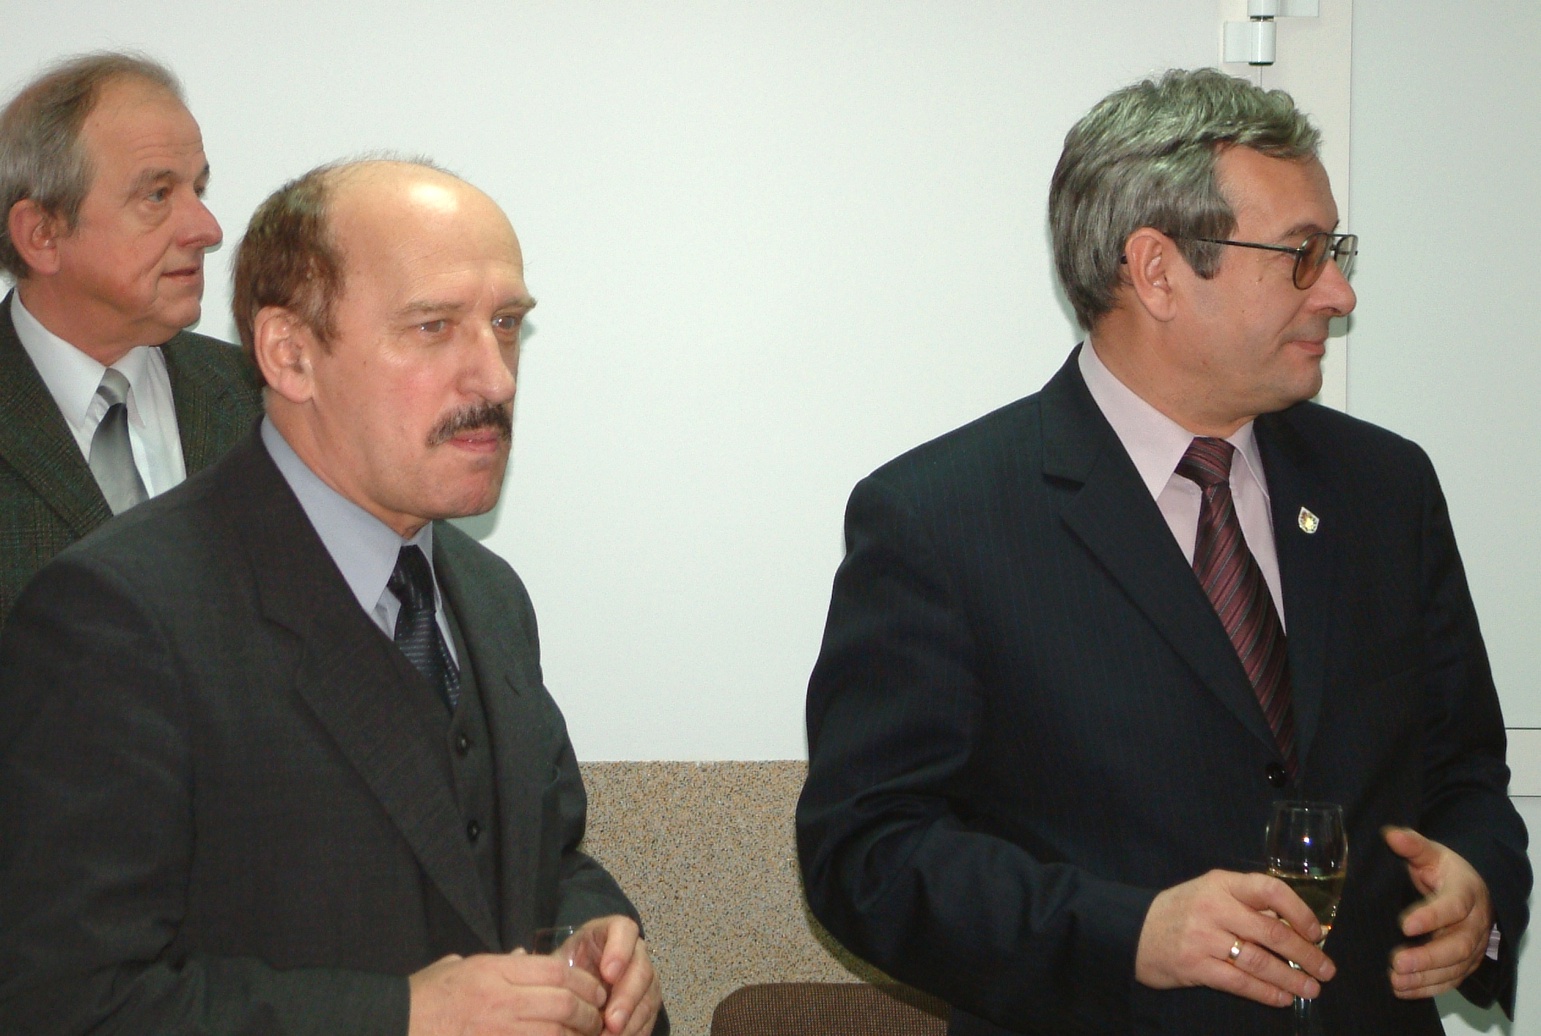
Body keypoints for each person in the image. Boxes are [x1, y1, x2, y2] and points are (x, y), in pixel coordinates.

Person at [796, 68, 1529, 1035]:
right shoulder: (940, 520)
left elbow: (1464, 769)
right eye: (1301, 255)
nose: (1339, 292)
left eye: (1335, 250)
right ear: (1156, 271)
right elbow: (867, 855)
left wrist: (1477, 887)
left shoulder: (1385, 488)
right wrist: (1129, 932)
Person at [0, 158, 663, 1036]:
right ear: (290, 355)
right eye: (433, 327)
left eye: (505, 324)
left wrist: (595, 935)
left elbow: (542, 854)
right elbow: (61, 1002)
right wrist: (399, 1017)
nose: (496, 379)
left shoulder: (488, 594)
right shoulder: (119, 615)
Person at [0, 51, 261, 628]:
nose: (208, 230)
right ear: (42, 235)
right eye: (158, 195)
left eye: (198, 189)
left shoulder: (267, 402)